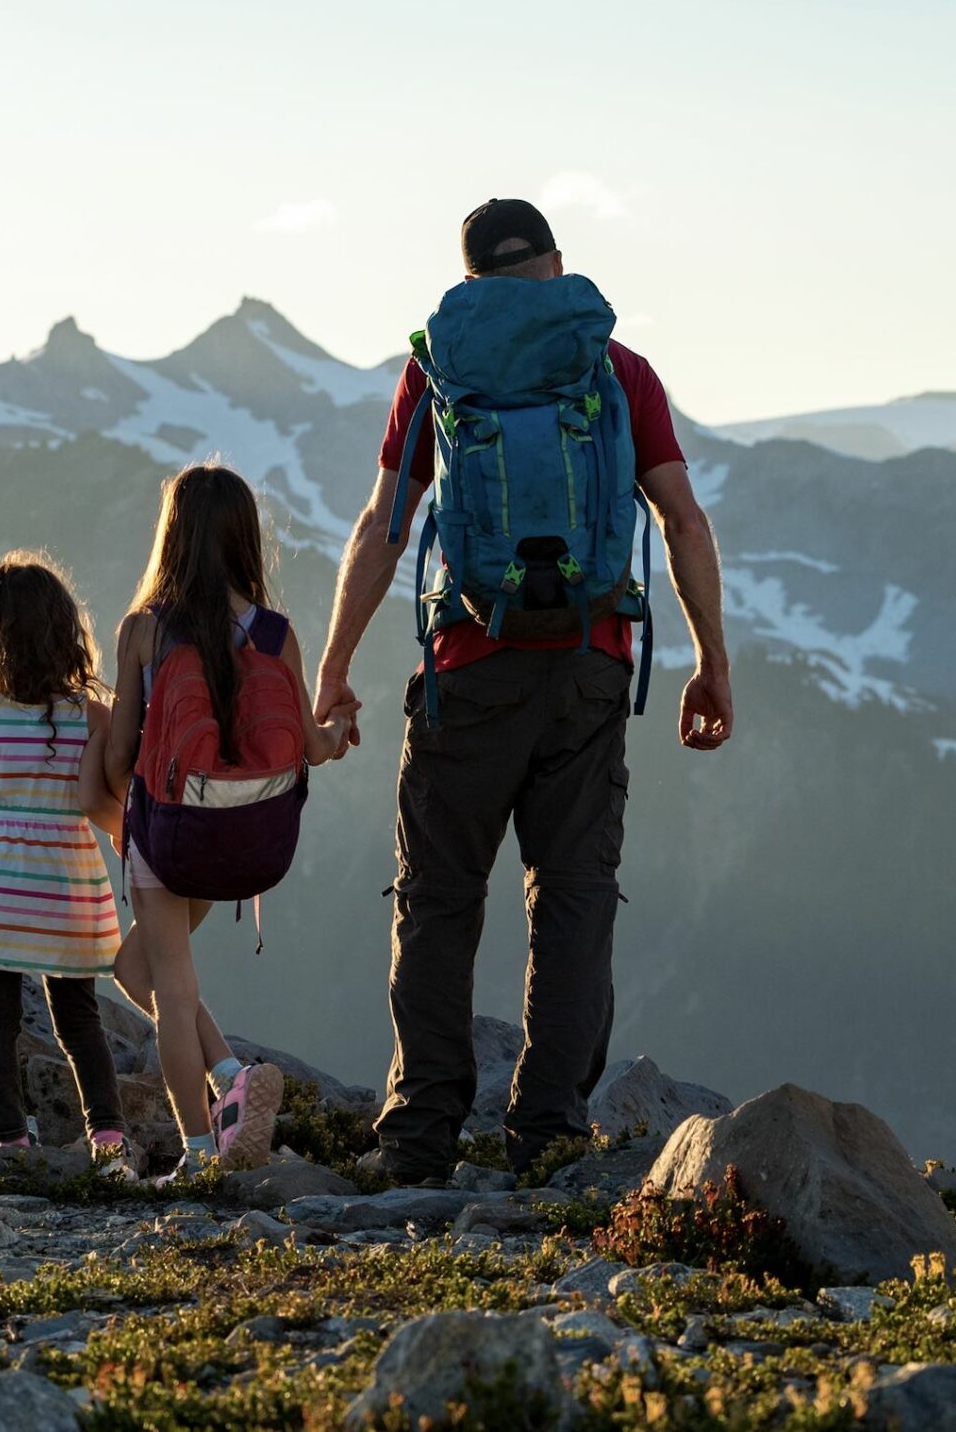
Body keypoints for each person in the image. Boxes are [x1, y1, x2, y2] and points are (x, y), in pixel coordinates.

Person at [313, 198, 734, 1183]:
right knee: (575, 899)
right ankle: (547, 1136)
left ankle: (418, 1133)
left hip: (468, 666)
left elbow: (385, 522)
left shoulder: (439, 368)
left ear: (467, 282)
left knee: (437, 895)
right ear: (553, 264)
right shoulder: (613, 368)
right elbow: (681, 520)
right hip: (590, 664)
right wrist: (711, 661)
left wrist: (332, 668)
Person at [83, 464, 354, 1177]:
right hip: (251, 837)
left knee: (171, 991)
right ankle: (233, 1073)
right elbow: (313, 748)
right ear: (245, 540)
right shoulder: (275, 633)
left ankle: (203, 1153)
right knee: (130, 966)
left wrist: (126, 820)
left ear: (171, 538)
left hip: (169, 836)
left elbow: (120, 755)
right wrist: (338, 728)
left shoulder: (146, 629)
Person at [0, 551, 133, 1171]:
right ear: (64, 631)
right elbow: (101, 800)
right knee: (79, 1018)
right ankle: (107, 1135)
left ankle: (11, 1140)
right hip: (67, 889)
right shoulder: (90, 716)